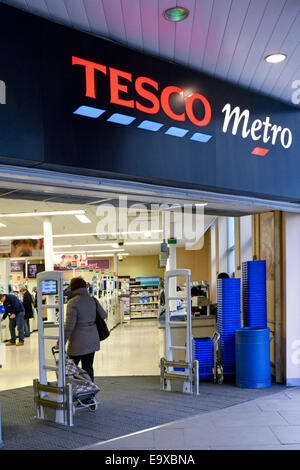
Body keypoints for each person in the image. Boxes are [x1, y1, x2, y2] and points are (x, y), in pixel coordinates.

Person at [63, 277, 107, 382]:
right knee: (88, 367)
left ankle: (73, 390)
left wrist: (61, 342)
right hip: (92, 339)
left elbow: (69, 326)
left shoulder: (72, 302)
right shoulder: (93, 300)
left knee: (70, 369)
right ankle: (90, 391)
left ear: (72, 288)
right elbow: (104, 315)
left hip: (78, 341)